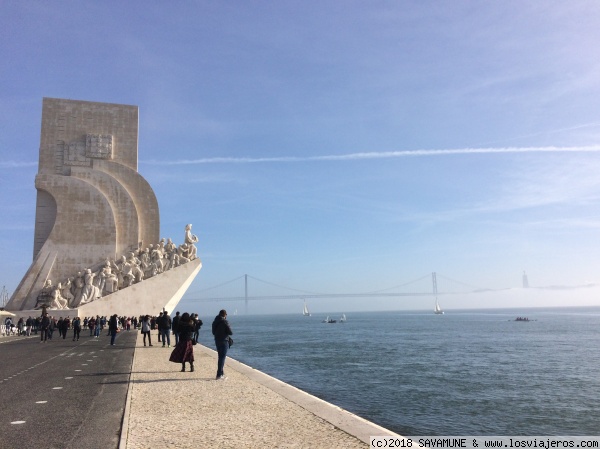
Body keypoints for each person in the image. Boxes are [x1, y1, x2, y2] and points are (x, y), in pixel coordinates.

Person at [212, 309, 232, 380]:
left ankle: (221, 373)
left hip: (217, 340)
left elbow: (213, 332)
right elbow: (230, 332)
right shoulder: (225, 322)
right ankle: (219, 374)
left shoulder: (215, 321)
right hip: (224, 340)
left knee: (220, 357)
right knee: (222, 357)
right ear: (224, 315)